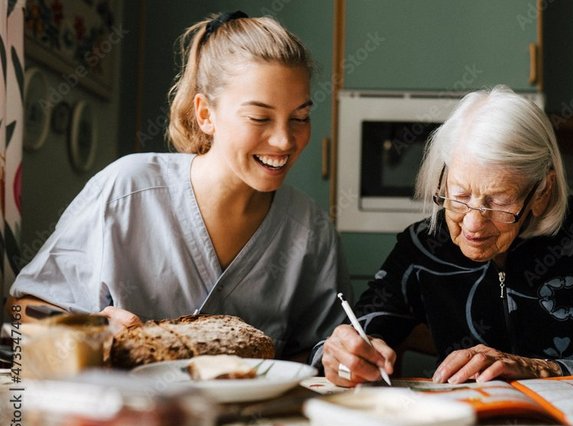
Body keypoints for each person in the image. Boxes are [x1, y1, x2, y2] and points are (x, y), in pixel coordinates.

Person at [7, 12, 351, 361]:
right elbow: (22, 310)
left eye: (300, 117)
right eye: (259, 117)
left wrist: (340, 357)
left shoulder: (312, 230)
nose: (283, 140)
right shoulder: (126, 190)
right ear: (205, 114)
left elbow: (321, 349)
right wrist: (87, 329)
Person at [319, 86, 573, 385]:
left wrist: (537, 368)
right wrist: (345, 354)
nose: (473, 225)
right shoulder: (423, 244)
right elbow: (361, 327)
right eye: (460, 196)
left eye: (499, 201)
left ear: (541, 191)